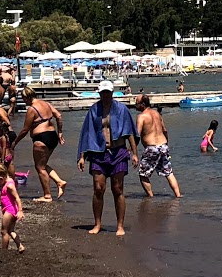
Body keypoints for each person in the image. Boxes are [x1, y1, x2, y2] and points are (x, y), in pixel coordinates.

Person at [76, 83, 138, 236]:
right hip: (99, 152)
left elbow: (130, 131)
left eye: (108, 93)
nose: (105, 96)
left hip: (119, 152)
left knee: (118, 190)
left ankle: (120, 226)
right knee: (98, 189)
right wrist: (82, 156)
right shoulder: (94, 110)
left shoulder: (121, 109)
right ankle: (97, 224)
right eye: (102, 93)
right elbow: (86, 132)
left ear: (112, 93)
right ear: (99, 94)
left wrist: (135, 153)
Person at [12, 89, 66, 202]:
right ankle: (59, 182)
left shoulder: (32, 109)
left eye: (23, 99)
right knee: (43, 164)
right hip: (53, 136)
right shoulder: (46, 104)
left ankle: (47, 196)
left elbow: (25, 129)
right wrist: (60, 133)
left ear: (27, 97)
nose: (24, 101)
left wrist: (15, 142)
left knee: (40, 167)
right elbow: (59, 116)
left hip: (41, 139)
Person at [133, 94, 182, 198]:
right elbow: (165, 130)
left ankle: (150, 198)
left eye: (136, 103)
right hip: (163, 146)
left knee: (143, 174)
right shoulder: (157, 114)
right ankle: (178, 196)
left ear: (142, 104)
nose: (135, 105)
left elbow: (137, 135)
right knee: (169, 173)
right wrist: (166, 143)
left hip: (152, 147)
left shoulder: (141, 117)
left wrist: (133, 150)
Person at [0, 162, 25, 254]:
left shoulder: (9, 186)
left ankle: (4, 251)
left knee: (4, 231)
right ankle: (20, 246)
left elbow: (17, 198)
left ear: (1, 178)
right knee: (11, 230)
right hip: (10, 210)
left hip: (9, 210)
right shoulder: (8, 180)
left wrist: (20, 211)